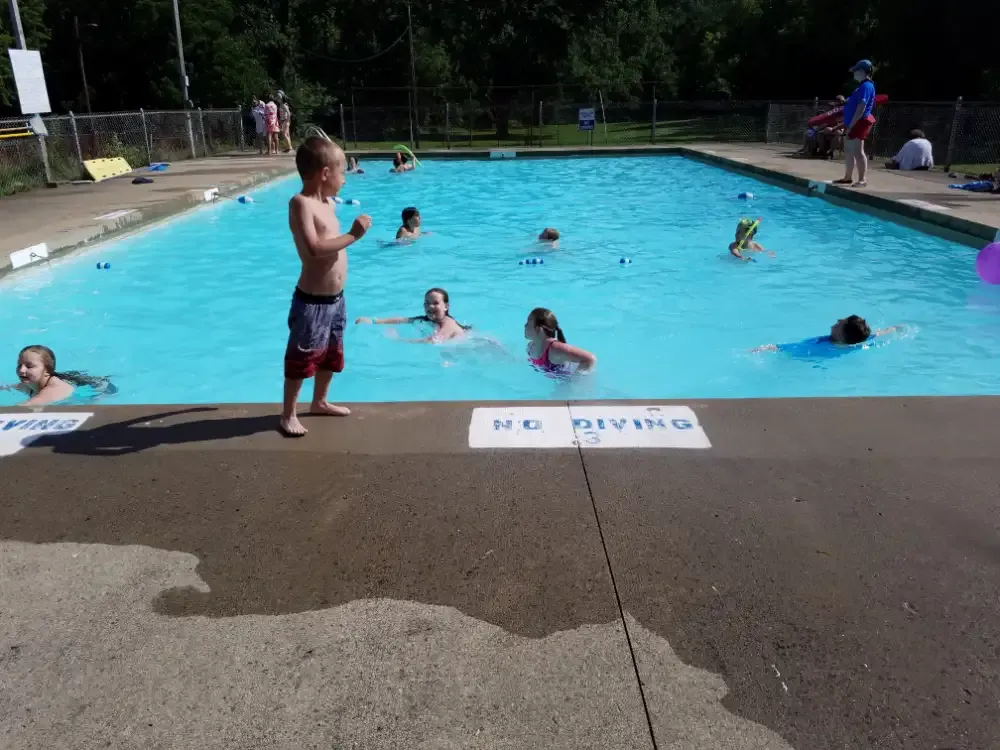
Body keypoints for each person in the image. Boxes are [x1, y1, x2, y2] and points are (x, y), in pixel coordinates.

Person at [281, 137, 373, 437]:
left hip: (336, 299)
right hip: (312, 302)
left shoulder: (329, 203)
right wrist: (353, 235)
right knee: (301, 357)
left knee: (331, 354)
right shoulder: (301, 204)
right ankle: (288, 414)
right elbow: (314, 248)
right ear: (324, 173)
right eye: (342, 172)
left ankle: (319, 401)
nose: (345, 178)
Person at [3, 345, 114, 406]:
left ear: (47, 371)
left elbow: (24, 407)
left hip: (101, 389)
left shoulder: (54, 388)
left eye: (29, 366)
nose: (21, 370)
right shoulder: (28, 384)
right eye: (19, 365)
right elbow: (7, 387)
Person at [355, 288, 469, 343]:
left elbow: (432, 342)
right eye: (427, 303)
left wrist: (397, 338)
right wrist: (374, 321)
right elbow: (403, 320)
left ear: (446, 306)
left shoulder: (448, 324)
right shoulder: (431, 320)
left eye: (435, 303)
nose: (430, 307)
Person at [752, 316, 901, 357]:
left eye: (841, 322)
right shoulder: (862, 339)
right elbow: (878, 334)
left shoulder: (820, 345)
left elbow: (789, 348)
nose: (838, 320)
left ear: (840, 334)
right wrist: (893, 328)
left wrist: (764, 348)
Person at [834, 60, 877, 188]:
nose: (854, 74)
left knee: (858, 151)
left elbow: (861, 107)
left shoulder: (866, 86)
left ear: (862, 71)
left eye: (856, 71)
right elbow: (854, 103)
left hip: (858, 122)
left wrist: (852, 125)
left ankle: (862, 179)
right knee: (848, 150)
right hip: (852, 122)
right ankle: (847, 177)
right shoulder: (860, 86)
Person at [524, 307, 596, 374]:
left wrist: (575, 381)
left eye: (528, 323)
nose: (525, 325)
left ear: (539, 329)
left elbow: (590, 358)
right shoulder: (530, 347)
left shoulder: (555, 349)